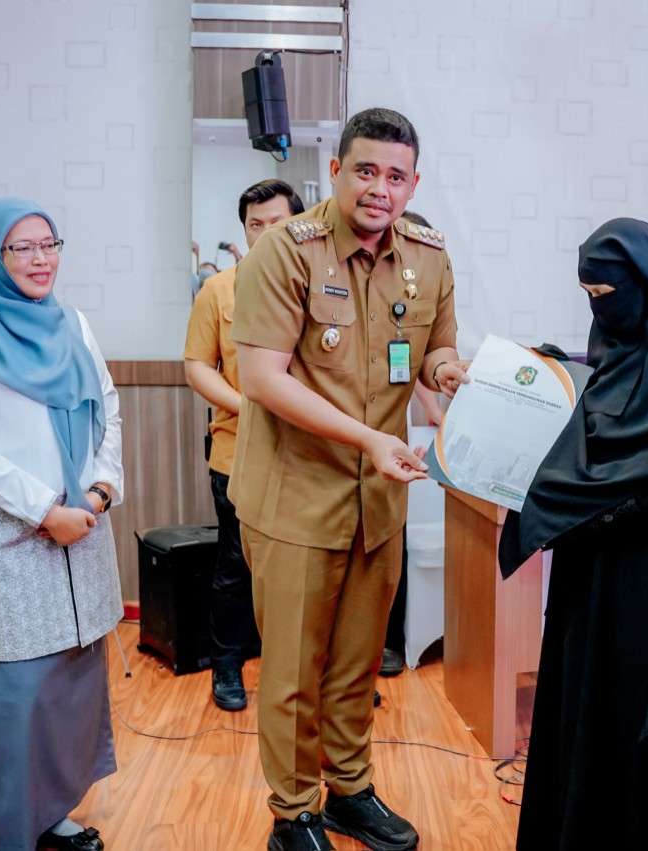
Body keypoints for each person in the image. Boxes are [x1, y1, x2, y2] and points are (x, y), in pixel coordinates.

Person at [229, 107, 469, 851]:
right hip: (294, 495)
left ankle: (349, 788)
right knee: (295, 667)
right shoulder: (288, 252)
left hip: (378, 501)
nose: (380, 188)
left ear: (413, 183)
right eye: (365, 170)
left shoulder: (428, 255)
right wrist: (370, 437)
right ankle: (294, 811)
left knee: (359, 662)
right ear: (335, 172)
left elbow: (434, 347)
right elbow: (263, 378)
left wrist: (447, 371)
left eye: (396, 175)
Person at [499, 218, 648, 851]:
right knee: (577, 697)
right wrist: (552, 374)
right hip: (589, 558)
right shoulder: (621, 336)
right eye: (589, 296)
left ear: (647, 283)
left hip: (645, 567)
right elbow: (606, 400)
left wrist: (578, 491)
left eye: (607, 294)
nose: (601, 308)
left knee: (620, 707)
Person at [0, 198, 123, 851]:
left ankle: (50, 811)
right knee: (15, 692)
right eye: (21, 248)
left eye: (48, 244)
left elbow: (107, 407)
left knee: (69, 682)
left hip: (80, 524)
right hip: (4, 533)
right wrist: (46, 508)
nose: (41, 260)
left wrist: (98, 489)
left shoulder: (73, 324)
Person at [183, 178, 303, 712]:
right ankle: (228, 666)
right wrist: (247, 405)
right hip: (240, 453)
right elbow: (196, 366)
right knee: (237, 565)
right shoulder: (219, 290)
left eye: (277, 223)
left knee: (309, 571)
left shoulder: (326, 287)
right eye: (256, 225)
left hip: (314, 459)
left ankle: (314, 674)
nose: (266, 233)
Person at [378, 210, 443, 680]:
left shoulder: (415, 293)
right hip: (339, 449)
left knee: (390, 548)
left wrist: (432, 399)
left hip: (389, 453)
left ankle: (386, 645)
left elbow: (410, 357)